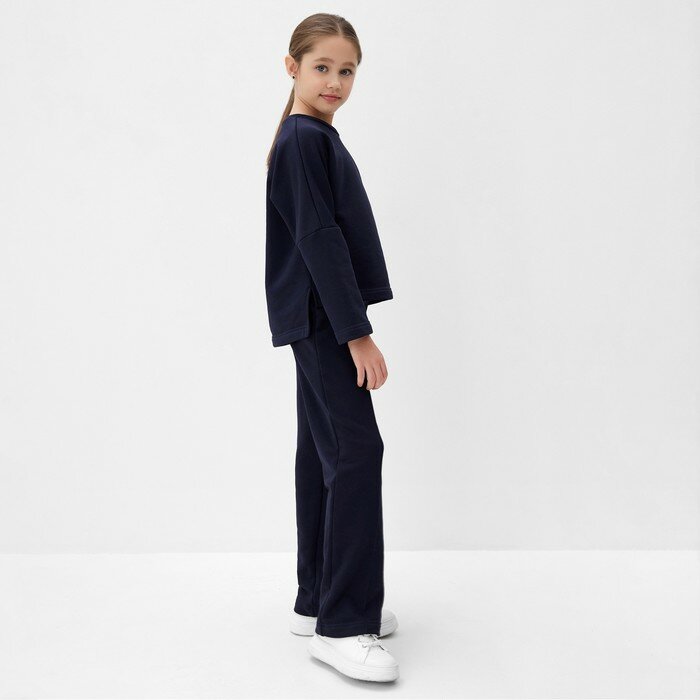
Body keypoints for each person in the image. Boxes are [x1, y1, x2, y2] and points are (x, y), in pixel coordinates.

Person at [264, 13, 400, 684]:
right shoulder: (301, 141)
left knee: (325, 453)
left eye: (347, 71)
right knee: (355, 453)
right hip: (324, 321)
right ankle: (343, 625)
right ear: (292, 67)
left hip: (316, 318)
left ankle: (318, 598)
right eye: (322, 67)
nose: (336, 82)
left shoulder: (310, 137)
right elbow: (320, 240)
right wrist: (356, 333)